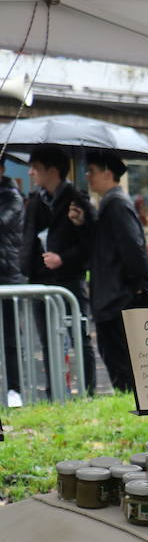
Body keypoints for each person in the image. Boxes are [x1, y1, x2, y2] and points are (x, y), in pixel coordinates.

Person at [70, 151, 148, 393]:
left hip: (118, 299)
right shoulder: (110, 203)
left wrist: (138, 285)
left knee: (122, 363)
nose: (88, 177)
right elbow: (102, 247)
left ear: (108, 173)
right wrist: (84, 223)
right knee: (117, 359)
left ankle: (130, 402)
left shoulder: (116, 204)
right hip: (113, 297)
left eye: (92, 171)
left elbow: (133, 247)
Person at [20, 144, 96, 394]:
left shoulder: (76, 200)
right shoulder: (35, 200)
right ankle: (55, 391)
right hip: (39, 280)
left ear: (52, 171)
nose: (31, 173)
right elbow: (28, 237)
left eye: (35, 168)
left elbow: (90, 243)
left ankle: (88, 390)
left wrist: (63, 258)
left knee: (78, 335)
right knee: (47, 340)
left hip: (69, 280)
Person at [0, 174, 23, 405]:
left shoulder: (11, 196)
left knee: (11, 337)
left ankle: (15, 390)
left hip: (8, 275)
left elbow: (4, 221)